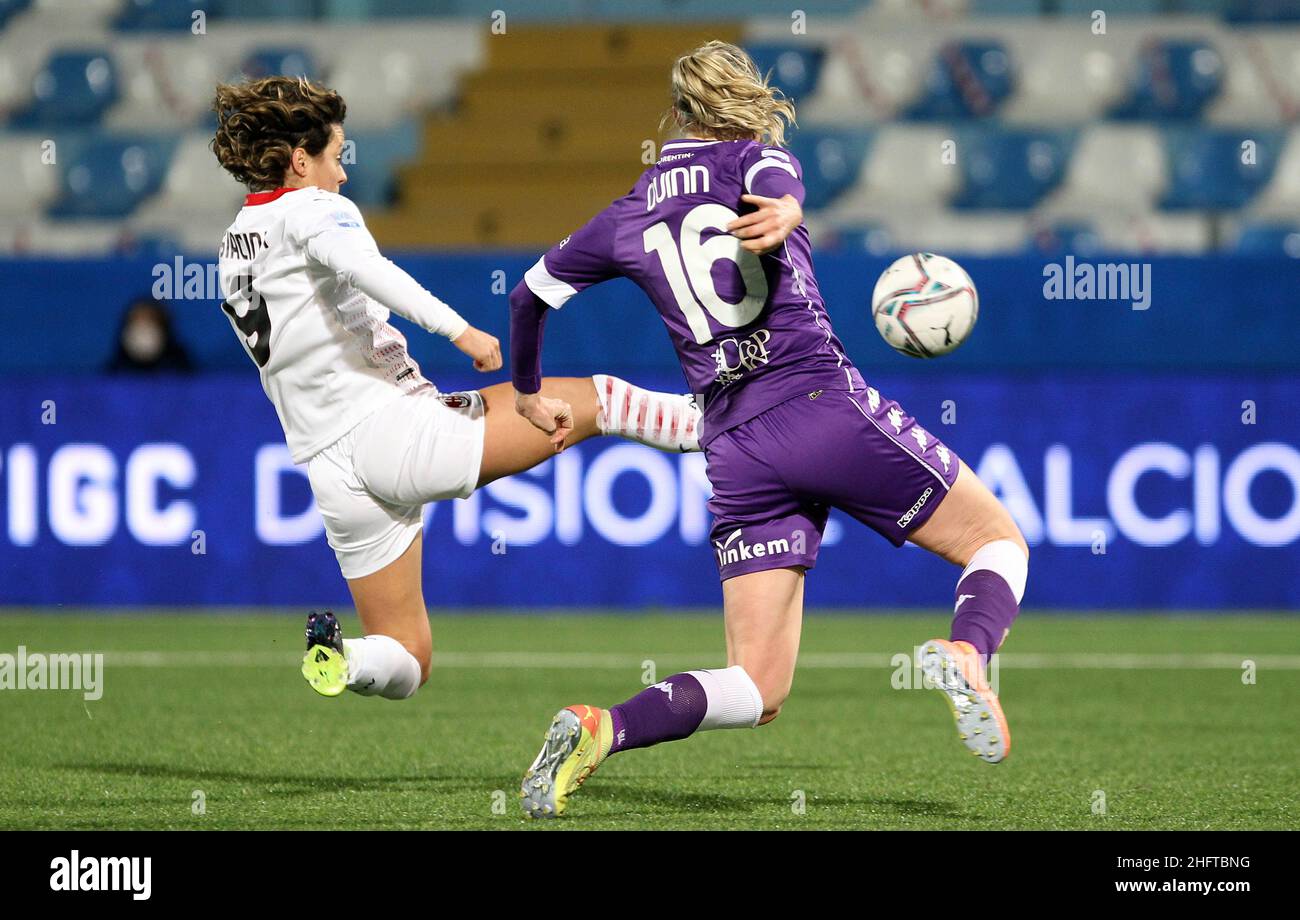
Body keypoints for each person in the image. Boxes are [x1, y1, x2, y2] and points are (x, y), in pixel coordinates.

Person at [509, 41, 1029, 818]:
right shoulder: (754, 160)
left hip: (735, 449)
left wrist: (525, 392)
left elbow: (527, 296)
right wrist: (787, 209)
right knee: (996, 541)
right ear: (746, 100)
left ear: (676, 116)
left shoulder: (629, 210)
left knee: (756, 685)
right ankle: (969, 649)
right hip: (817, 404)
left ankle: (602, 727)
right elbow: (776, 187)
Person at [212, 76, 703, 701]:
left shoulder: (232, 246)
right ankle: (729, 432)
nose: (341, 175)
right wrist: (462, 330)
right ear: (300, 160)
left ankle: (345, 657)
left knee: (407, 660)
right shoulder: (312, 209)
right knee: (596, 400)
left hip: (328, 468)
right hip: (393, 429)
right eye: (336, 158)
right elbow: (372, 270)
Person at [106, 297, 194, 373]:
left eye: (149, 321)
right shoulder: (110, 377)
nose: (143, 329)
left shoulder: (184, 373)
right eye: (137, 322)